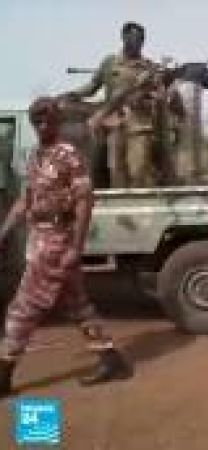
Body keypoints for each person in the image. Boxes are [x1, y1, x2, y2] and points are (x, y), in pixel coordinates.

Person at [0, 98, 133, 396]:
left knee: (23, 308)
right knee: (78, 305)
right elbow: (24, 201)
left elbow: (85, 201)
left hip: (57, 241)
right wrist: (3, 233)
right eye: (37, 121)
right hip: (39, 237)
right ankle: (111, 360)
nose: (42, 126)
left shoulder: (68, 155)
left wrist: (76, 246)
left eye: (48, 120)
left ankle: (4, 373)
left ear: (58, 122)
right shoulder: (36, 156)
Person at [66, 22, 167, 188]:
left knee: (138, 170)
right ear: (124, 38)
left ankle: (139, 202)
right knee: (116, 170)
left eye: (141, 39)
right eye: (133, 38)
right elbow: (92, 86)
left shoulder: (149, 67)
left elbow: (159, 95)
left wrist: (149, 97)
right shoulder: (110, 63)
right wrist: (73, 94)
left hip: (139, 125)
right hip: (114, 124)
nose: (138, 42)